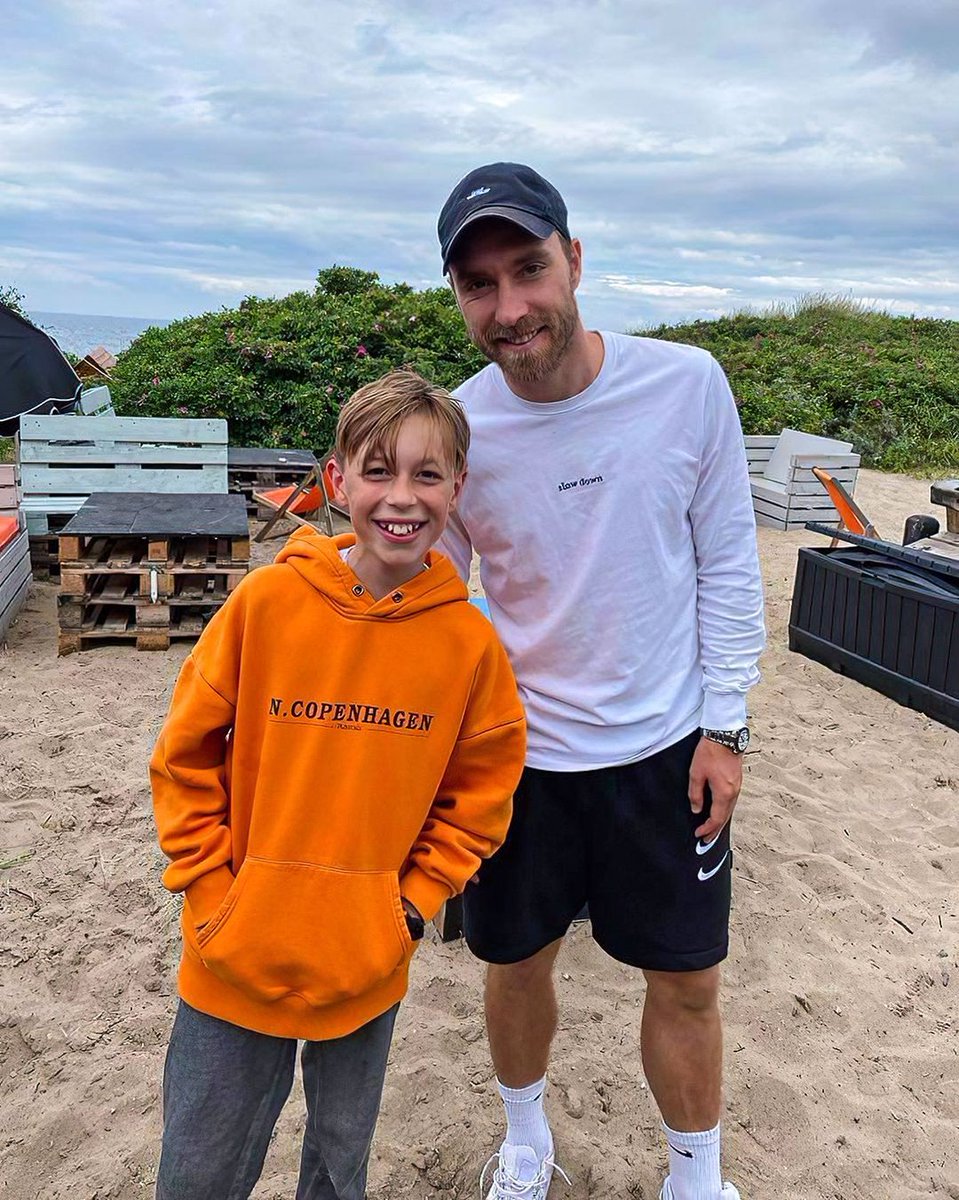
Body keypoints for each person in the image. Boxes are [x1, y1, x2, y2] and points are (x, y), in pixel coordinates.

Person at [435, 163, 765, 1200]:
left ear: (574, 260)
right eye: (478, 285)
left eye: (527, 268)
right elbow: (426, 599)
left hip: (664, 748)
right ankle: (525, 1142)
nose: (509, 307)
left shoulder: (685, 384)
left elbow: (727, 559)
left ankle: (693, 1179)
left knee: (687, 978)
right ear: (457, 297)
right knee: (514, 962)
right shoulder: (459, 428)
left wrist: (725, 728)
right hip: (516, 761)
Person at [150, 369, 526, 1200]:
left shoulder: (468, 647)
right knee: (199, 1170)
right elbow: (183, 757)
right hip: (229, 954)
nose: (402, 497)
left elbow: (481, 795)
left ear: (457, 488)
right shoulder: (266, 603)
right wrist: (210, 892)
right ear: (337, 480)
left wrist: (410, 906)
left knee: (336, 1169)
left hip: (365, 960)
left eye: (427, 474)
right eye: (378, 470)